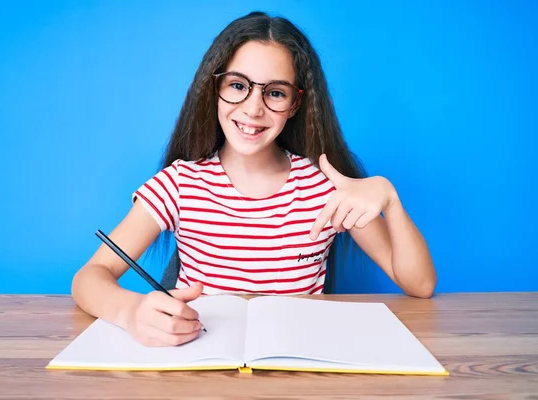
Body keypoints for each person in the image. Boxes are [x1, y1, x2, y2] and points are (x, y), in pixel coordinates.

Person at [71, 11, 437, 347]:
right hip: (197, 368)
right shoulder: (180, 183)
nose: (253, 108)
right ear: (213, 88)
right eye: (237, 85)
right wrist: (131, 312)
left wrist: (390, 198)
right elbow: (90, 277)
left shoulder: (327, 188)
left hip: (300, 369)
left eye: (274, 92)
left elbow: (420, 285)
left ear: (295, 103)